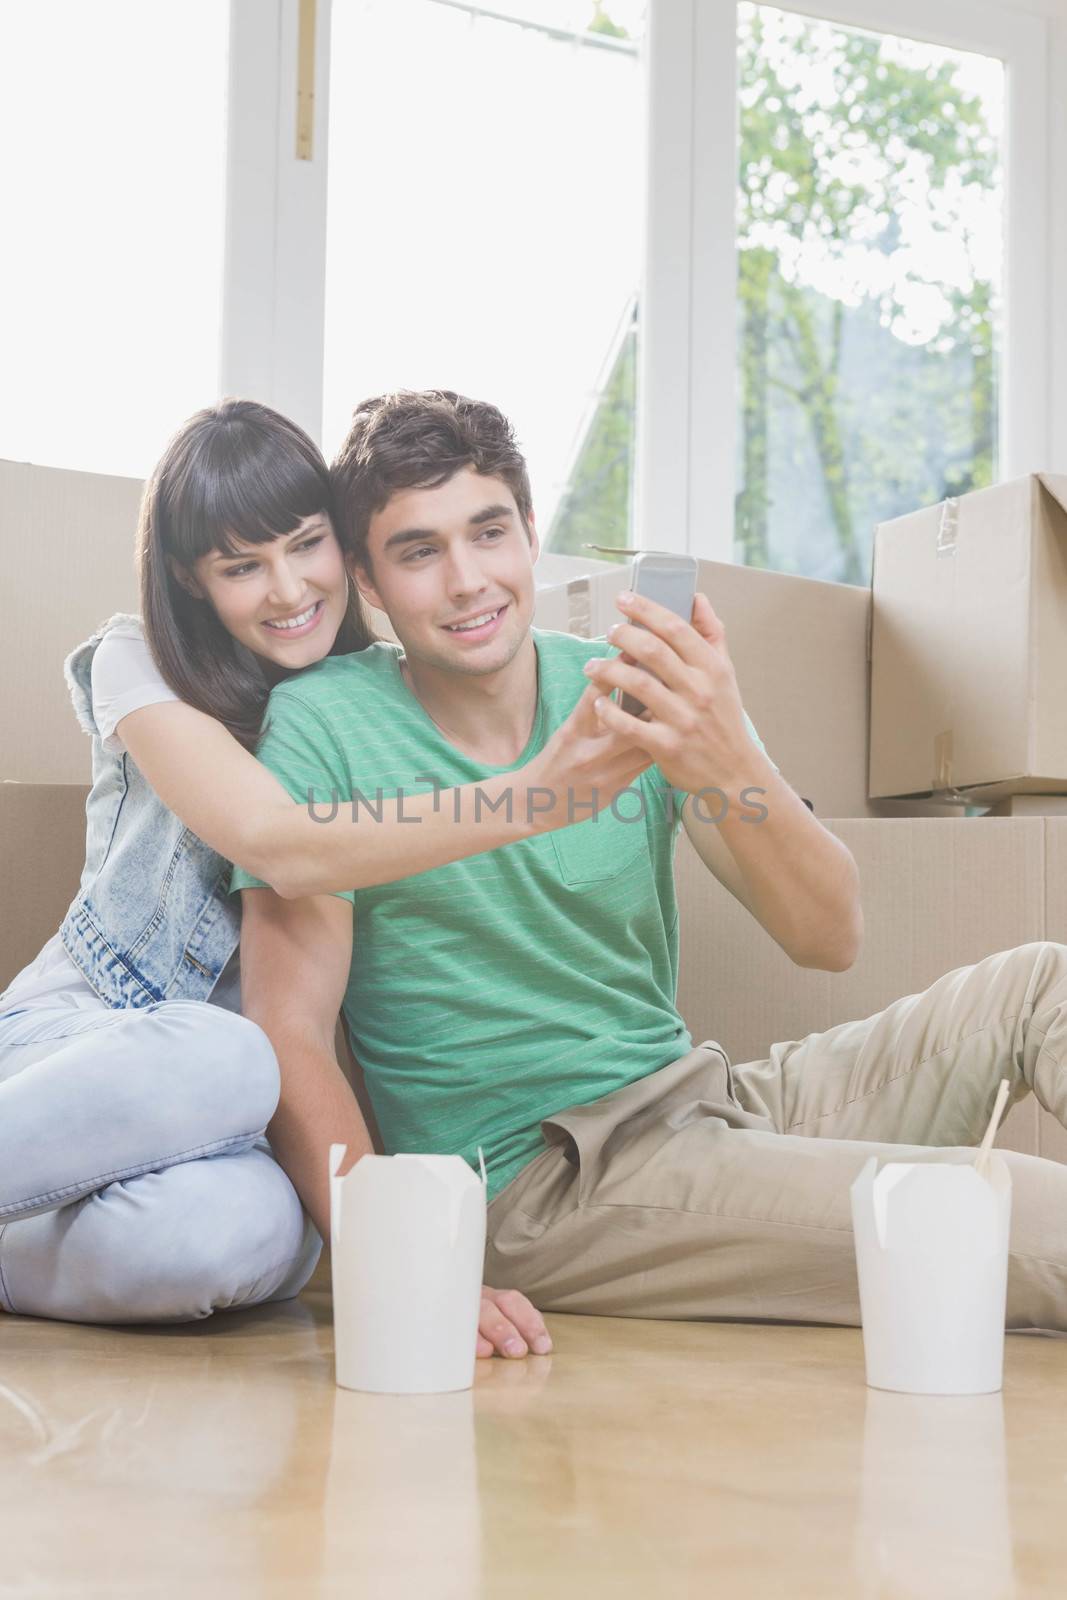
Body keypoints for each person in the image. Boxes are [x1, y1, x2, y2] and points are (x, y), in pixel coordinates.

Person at [233, 388, 1067, 1335]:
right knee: (1026, 1220)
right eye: (419, 551)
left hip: (705, 1104)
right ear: (369, 583)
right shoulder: (326, 723)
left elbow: (829, 935)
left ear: (531, 535)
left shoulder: (632, 687)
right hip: (546, 1180)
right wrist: (402, 1264)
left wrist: (720, 747)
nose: (466, 580)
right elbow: (286, 1027)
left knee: (1040, 985)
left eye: (488, 532)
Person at [0, 399, 641, 1348]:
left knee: (250, 1237)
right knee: (227, 1054)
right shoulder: (137, 662)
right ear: (189, 579)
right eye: (239, 566)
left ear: (350, 552)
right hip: (90, 1048)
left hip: (230, 1123)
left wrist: (406, 1259)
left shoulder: (376, 697)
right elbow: (278, 842)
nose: (286, 588)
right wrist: (533, 794)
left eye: (306, 546)